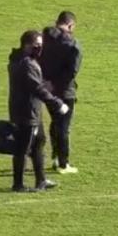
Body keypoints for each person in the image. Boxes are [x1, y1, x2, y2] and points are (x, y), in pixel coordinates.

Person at [8, 30, 68, 192]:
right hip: (28, 112)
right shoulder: (27, 64)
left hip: (27, 109)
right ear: (27, 46)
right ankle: (18, 184)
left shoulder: (18, 59)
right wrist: (57, 103)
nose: (40, 49)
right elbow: (36, 88)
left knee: (39, 142)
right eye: (37, 46)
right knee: (23, 147)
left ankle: (41, 180)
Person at [39, 11, 80, 173]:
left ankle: (55, 157)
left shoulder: (45, 38)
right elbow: (72, 72)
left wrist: (47, 82)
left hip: (46, 89)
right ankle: (64, 163)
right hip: (65, 91)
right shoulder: (73, 45)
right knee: (64, 126)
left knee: (55, 122)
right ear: (70, 25)